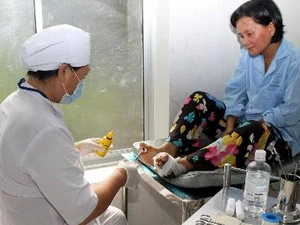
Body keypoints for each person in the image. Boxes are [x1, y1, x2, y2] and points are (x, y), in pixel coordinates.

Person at [139, 0, 300, 177]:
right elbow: (235, 90)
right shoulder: (249, 56)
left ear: (271, 28)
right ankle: (170, 147)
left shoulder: (295, 61)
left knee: (252, 129)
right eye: (241, 36)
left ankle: (184, 164)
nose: (244, 42)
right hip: (244, 128)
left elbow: (292, 111)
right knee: (199, 99)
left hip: (279, 137)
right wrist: (230, 127)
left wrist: (251, 125)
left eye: (249, 34)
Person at [0, 24, 140, 225]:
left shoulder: (13, 103)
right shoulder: (45, 128)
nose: (80, 84)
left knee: (115, 217)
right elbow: (84, 212)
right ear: (64, 71)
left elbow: (27, 159)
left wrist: (74, 149)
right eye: (81, 77)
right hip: (44, 219)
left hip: (17, 215)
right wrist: (122, 174)